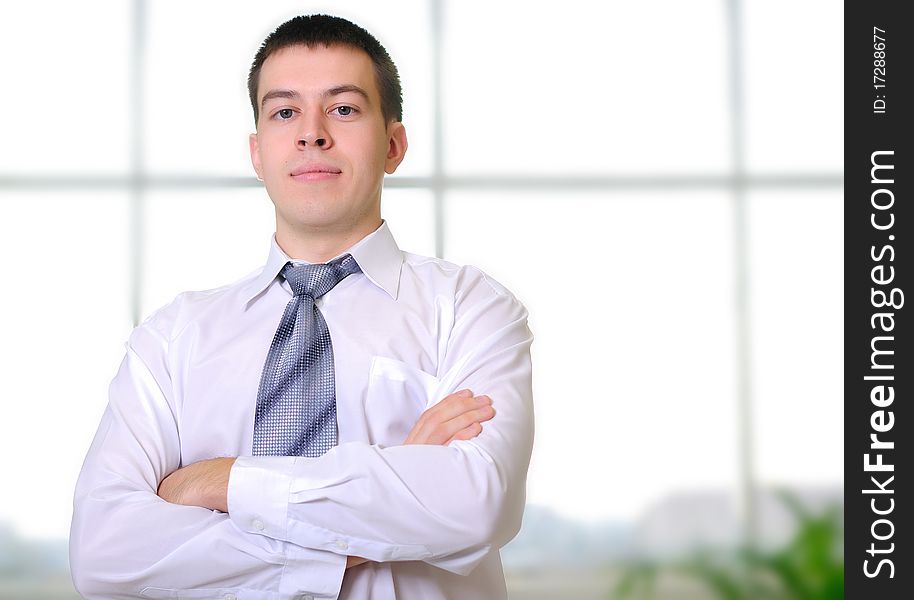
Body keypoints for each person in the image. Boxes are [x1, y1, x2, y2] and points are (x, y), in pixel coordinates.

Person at [70, 14, 534, 600]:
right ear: (258, 151)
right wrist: (380, 509)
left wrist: (220, 483)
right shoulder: (171, 339)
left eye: (343, 109)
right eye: (284, 112)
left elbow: (475, 506)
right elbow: (103, 555)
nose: (311, 133)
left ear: (393, 145)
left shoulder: (471, 308)